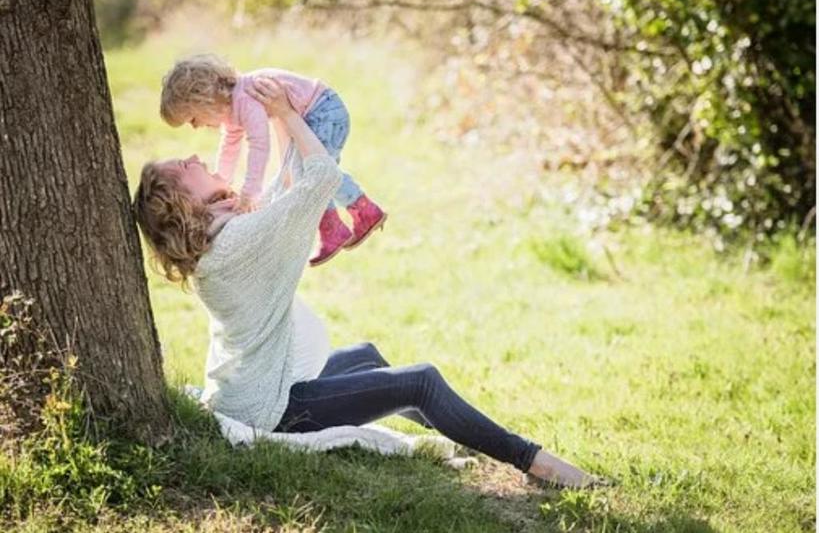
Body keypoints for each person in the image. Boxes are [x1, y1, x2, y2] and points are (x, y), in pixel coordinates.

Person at [134, 77, 603, 489]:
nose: (195, 155)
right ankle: (534, 461)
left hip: (252, 389)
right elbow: (320, 178)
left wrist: (281, 117)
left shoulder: (222, 237)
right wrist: (288, 114)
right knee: (419, 381)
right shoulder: (239, 242)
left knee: (367, 357)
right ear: (182, 201)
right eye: (183, 166)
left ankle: (465, 431)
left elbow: (282, 191)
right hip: (271, 408)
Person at [159, 53, 386, 266]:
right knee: (309, 173)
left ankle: (347, 219)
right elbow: (229, 146)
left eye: (192, 119)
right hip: (318, 113)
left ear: (202, 100)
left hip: (324, 111)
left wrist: (250, 192)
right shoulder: (232, 108)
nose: (196, 127)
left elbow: (260, 145)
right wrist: (222, 180)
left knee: (314, 172)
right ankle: (344, 221)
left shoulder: (245, 98)